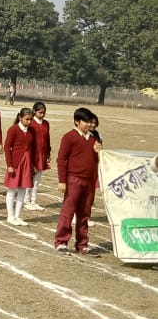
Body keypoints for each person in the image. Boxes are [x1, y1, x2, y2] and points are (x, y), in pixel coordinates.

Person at [54, 107, 100, 255]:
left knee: (85, 213)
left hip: (89, 180)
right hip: (74, 178)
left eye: (90, 122)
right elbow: (61, 160)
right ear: (76, 122)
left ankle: (82, 243)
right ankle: (61, 241)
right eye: (86, 122)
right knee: (68, 211)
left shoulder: (94, 138)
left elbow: (97, 160)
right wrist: (62, 181)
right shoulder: (69, 137)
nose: (89, 125)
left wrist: (98, 151)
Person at [3, 107, 36, 226]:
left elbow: (33, 149)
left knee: (23, 190)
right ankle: (10, 215)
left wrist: (33, 165)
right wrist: (9, 165)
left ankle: (17, 215)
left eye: (31, 119)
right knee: (12, 190)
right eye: (27, 119)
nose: (29, 122)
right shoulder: (13, 130)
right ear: (20, 118)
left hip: (27, 163)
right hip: (16, 163)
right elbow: (7, 148)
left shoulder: (32, 130)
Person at [25, 101, 51, 208]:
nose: (42, 114)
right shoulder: (30, 123)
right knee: (29, 178)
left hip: (42, 155)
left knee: (37, 180)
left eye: (44, 112)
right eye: (40, 112)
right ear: (34, 111)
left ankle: (33, 201)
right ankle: (26, 201)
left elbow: (47, 139)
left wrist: (48, 152)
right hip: (32, 154)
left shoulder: (46, 123)